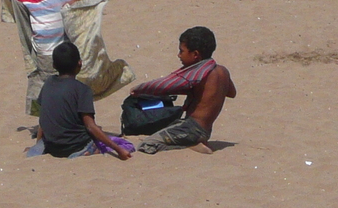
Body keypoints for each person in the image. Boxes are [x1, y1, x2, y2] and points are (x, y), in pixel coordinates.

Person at [130, 26, 235, 154]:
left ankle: (190, 144)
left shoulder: (200, 73)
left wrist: (140, 89)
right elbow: (231, 93)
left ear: (195, 54)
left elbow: (167, 85)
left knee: (147, 144)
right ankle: (193, 141)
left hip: (192, 129)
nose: (179, 55)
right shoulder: (222, 71)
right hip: (206, 131)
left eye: (182, 51)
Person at [34, 42, 132, 159]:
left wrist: (37, 145)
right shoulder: (82, 89)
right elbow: (90, 126)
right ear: (79, 64)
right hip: (76, 147)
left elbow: (43, 120)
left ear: (54, 65)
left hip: (52, 146)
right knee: (119, 143)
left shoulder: (48, 83)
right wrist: (119, 149)